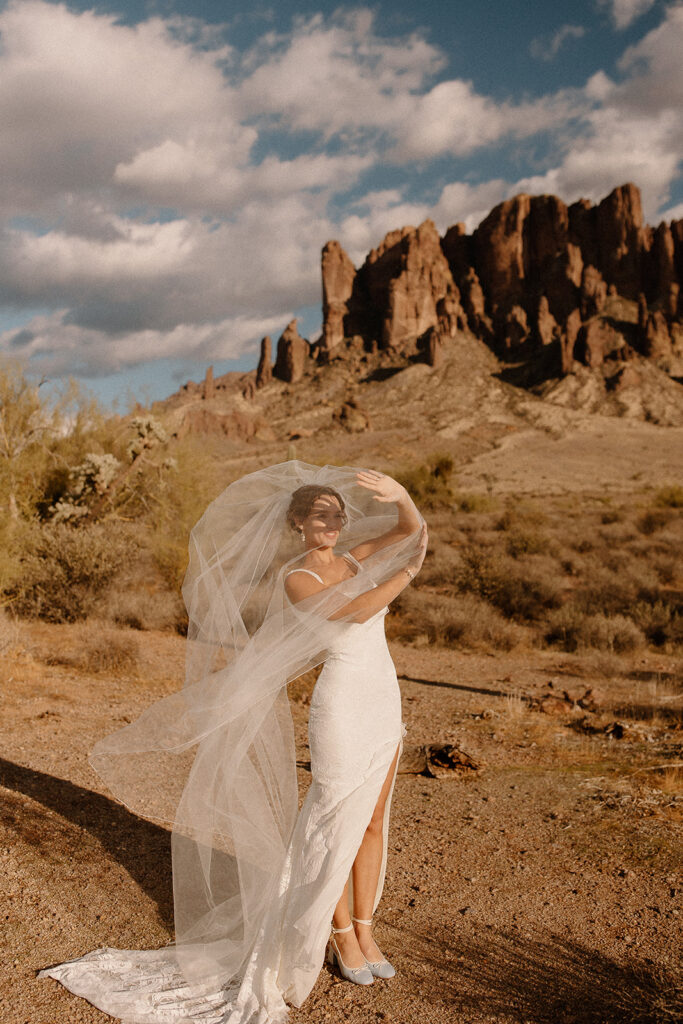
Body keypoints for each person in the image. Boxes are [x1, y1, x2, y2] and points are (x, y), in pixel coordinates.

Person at [39, 461, 427, 1023]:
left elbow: (408, 532)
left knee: (371, 821)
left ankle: (367, 931)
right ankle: (340, 938)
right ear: (297, 523)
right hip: (342, 707)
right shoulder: (297, 578)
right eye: (321, 516)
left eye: (338, 516)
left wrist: (403, 495)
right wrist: (407, 574)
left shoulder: (350, 560)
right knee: (330, 822)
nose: (333, 525)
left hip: (384, 700)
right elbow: (353, 610)